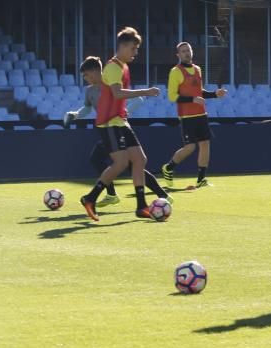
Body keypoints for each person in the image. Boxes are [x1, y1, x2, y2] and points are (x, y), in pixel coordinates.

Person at [78, 29, 163, 221]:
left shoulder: (123, 66)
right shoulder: (113, 67)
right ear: (123, 46)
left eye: (137, 48)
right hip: (109, 124)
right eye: (133, 48)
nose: (135, 52)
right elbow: (117, 93)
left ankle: (141, 206)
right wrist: (146, 91)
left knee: (140, 160)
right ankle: (90, 198)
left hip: (120, 121)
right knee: (121, 163)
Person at [64, 57, 159, 207]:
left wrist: (127, 109)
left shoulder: (110, 85)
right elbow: (87, 108)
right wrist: (75, 115)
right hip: (106, 129)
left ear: (95, 71)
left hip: (117, 128)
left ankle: (107, 196)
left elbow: (138, 99)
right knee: (125, 162)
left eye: (86, 75)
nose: (85, 78)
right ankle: (118, 196)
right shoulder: (89, 91)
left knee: (130, 163)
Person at [160, 42, 226, 190]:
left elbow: (199, 92)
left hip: (201, 114)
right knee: (190, 147)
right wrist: (192, 99)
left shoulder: (197, 69)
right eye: (183, 51)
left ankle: (201, 179)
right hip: (186, 116)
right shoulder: (175, 72)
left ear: (192, 52)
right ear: (178, 55)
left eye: (188, 50)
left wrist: (215, 94)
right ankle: (169, 168)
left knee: (205, 145)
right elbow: (172, 96)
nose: (186, 53)